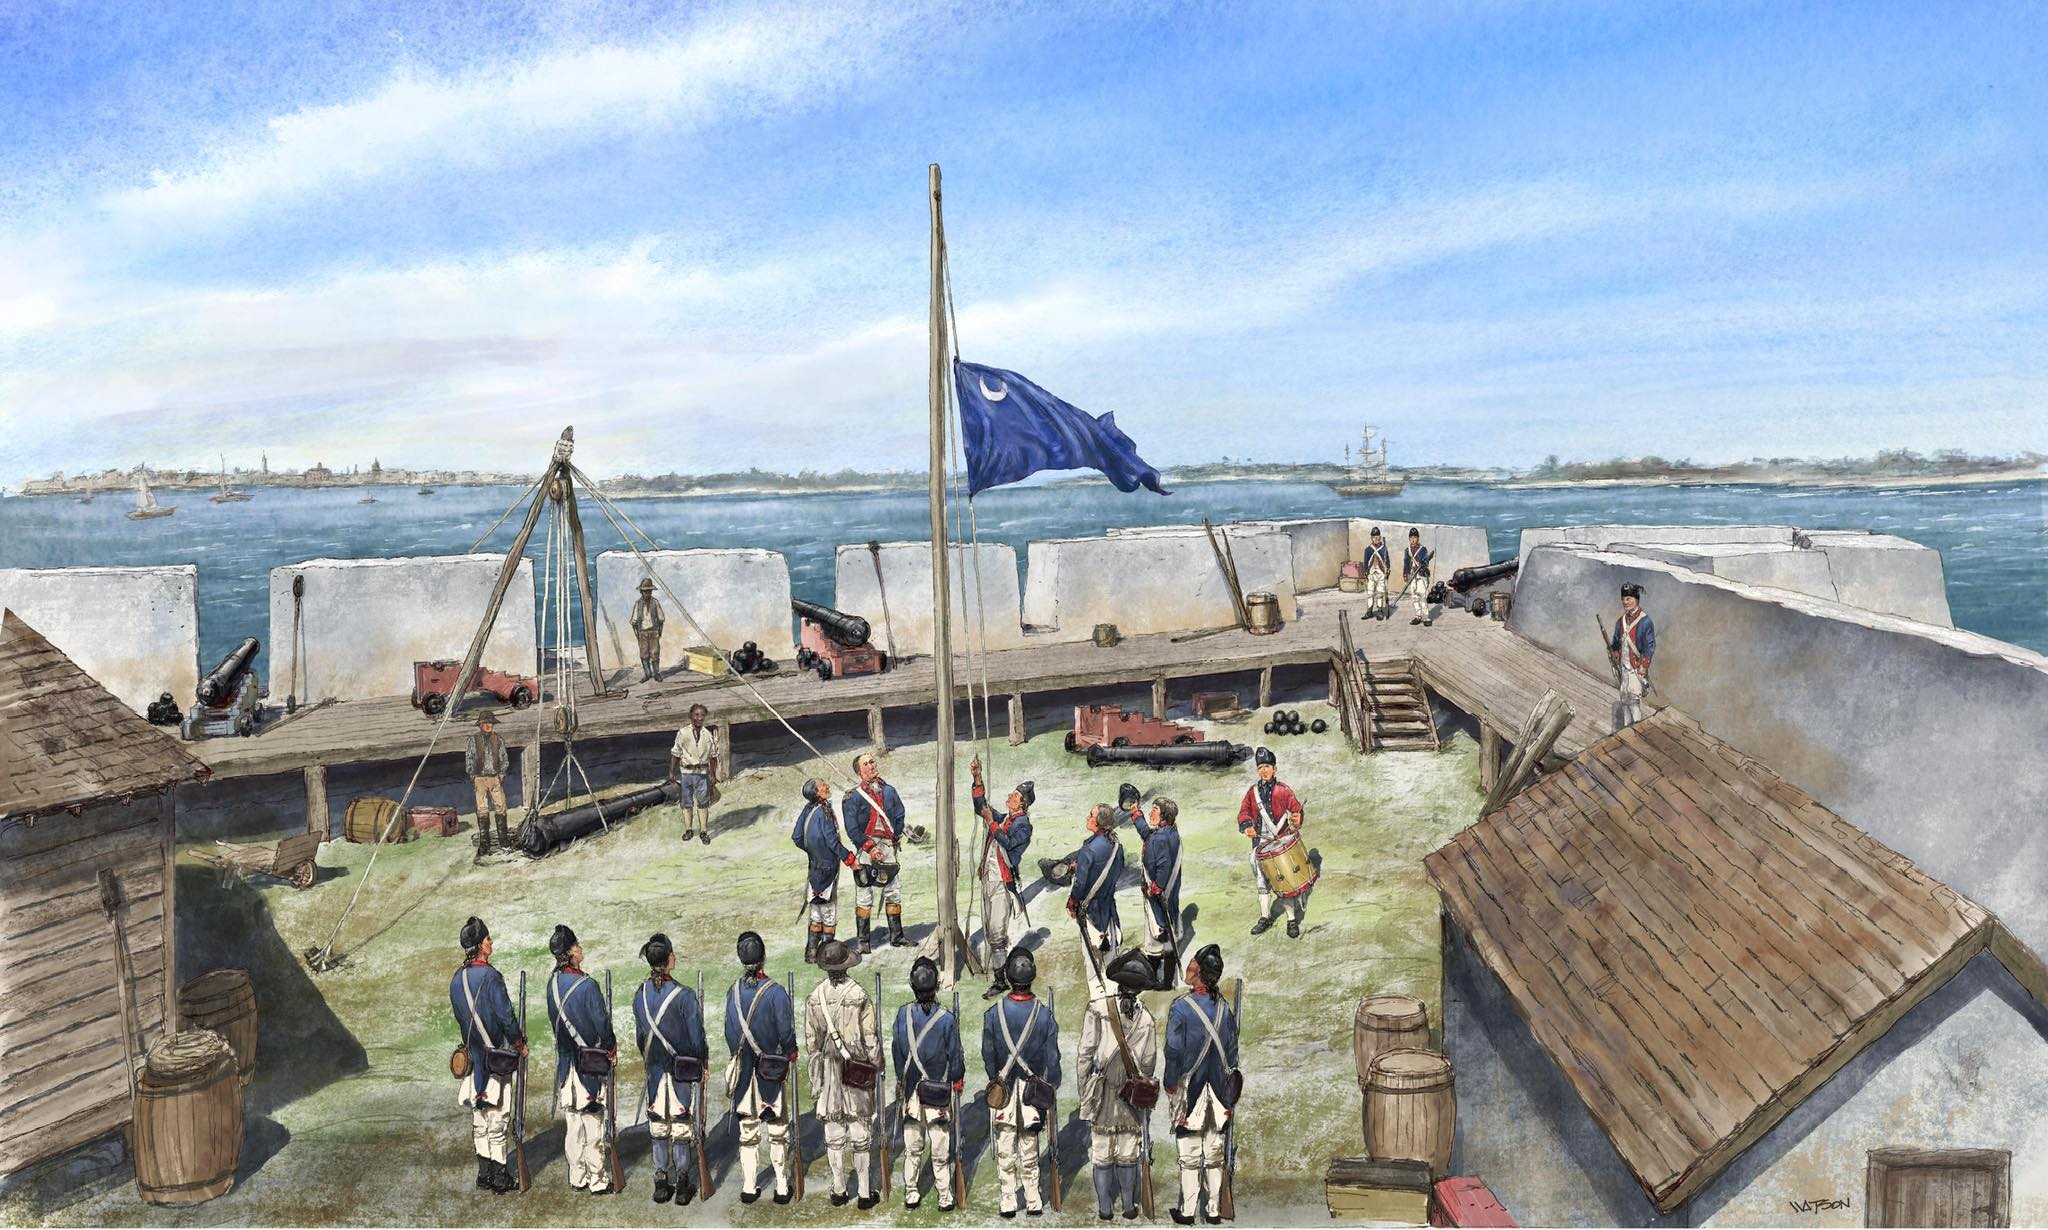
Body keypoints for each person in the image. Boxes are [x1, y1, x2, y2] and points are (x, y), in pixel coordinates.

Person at [981, 947, 1062, 1218]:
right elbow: (1053, 1058)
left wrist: (996, 1078)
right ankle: (1033, 1199)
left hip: (1003, 1089)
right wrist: (1051, 1085)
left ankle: (1007, 1201)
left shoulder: (993, 1014)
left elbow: (988, 1056)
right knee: (1030, 1147)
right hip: (1033, 1088)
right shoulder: (1044, 1014)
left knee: (1006, 1150)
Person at [1080, 950, 1160, 1221]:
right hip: (1130, 1093)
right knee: (1128, 1153)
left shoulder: (1097, 1007)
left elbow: (1085, 1054)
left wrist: (1085, 1091)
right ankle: (1127, 1207)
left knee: (1102, 1154)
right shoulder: (1147, 1019)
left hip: (1101, 1090)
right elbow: (1148, 1064)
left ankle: (1105, 1208)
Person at [449, 916, 525, 1195]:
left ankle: (484, 1173)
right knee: (498, 1118)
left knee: (479, 1119)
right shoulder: (491, 977)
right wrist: (518, 1042)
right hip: (496, 1057)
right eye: (488, 939)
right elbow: (505, 1017)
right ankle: (500, 1176)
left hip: (473, 1059)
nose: (491, 942)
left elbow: (461, 1019)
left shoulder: (457, 980)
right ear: (480, 946)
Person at [1164, 945, 1238, 1225]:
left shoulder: (1181, 1008)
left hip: (1191, 1090)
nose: (1188, 966)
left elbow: (1173, 1051)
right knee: (1215, 1155)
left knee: (1190, 1155)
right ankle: (1214, 1211)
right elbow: (1232, 1054)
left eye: (1192, 963)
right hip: (1219, 1093)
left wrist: (1171, 1084)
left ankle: (1187, 1212)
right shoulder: (1224, 1008)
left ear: (1198, 972)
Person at [806, 939, 883, 1209]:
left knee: (834, 1132)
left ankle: (838, 1189)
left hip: (829, 1068)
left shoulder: (816, 996)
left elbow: (811, 1041)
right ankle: (863, 1192)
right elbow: (871, 1038)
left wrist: (819, 1060)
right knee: (860, 1132)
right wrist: (876, 1064)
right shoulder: (860, 995)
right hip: (857, 1067)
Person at [632, 932, 707, 1206]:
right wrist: (702, 1063)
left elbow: (641, 1039)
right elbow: (696, 1039)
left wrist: (652, 1060)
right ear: (668, 960)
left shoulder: (639, 995)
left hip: (654, 1072)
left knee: (659, 1129)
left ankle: (661, 1182)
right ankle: (683, 1182)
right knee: (681, 1129)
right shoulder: (686, 997)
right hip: (681, 1073)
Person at [726, 930, 798, 1204]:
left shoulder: (732, 992)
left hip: (745, 1072)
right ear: (764, 956)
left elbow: (730, 1034)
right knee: (778, 1131)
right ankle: (781, 1187)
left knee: (749, 1133)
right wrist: (789, 1053)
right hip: (771, 1071)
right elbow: (786, 1034)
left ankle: (748, 1186)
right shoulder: (777, 992)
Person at [544, 924, 617, 1194]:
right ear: (571, 952)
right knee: (593, 1125)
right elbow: (603, 1027)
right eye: (577, 945)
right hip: (590, 1065)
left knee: (573, 1125)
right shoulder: (587, 986)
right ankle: (597, 1179)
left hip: (566, 1067)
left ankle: (577, 1176)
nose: (580, 948)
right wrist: (610, 1048)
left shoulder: (551, 985)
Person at [893, 956, 965, 1211]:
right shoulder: (947, 1019)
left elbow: (897, 1052)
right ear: (935, 988)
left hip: (912, 1092)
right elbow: (955, 1058)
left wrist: (902, 1080)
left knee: (912, 1148)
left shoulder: (903, 1014)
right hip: (938, 1093)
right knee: (940, 1149)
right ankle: (944, 1195)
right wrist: (956, 1080)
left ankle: (911, 1192)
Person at [969, 756, 1035, 1000]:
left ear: (1022, 804)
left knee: (997, 933)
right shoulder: (1006, 819)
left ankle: (1001, 980)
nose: (1009, 796)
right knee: (990, 930)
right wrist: (977, 778)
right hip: (989, 879)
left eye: (1015, 796)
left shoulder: (1023, 825)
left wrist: (991, 824)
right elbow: (981, 807)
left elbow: (1008, 843)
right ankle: (1001, 974)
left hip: (1002, 885)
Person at [843, 752, 913, 952]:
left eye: (873, 761)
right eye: (867, 763)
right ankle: (863, 942)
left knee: (893, 890)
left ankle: (897, 936)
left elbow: (899, 815)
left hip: (888, 845)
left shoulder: (890, 790)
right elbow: (852, 828)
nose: (872, 765)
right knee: (864, 892)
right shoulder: (852, 797)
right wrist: (869, 847)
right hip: (866, 847)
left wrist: (894, 837)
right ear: (860, 771)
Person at [1237, 747, 1308, 938]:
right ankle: (1265, 917)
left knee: (1284, 881)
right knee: (1261, 882)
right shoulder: (1252, 793)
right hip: (1260, 845)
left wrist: (1297, 818)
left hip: (1280, 844)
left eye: (1267, 766)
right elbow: (1244, 813)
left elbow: (1296, 810)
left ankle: (1291, 919)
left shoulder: (1283, 790)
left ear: (1274, 768)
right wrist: (1246, 826)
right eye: (1260, 767)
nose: (1264, 771)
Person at [792, 778, 859, 964]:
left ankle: (811, 953)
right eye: (823, 785)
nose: (827, 786)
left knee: (815, 912)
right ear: (816, 792)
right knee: (828, 912)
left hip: (814, 866)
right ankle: (828, 954)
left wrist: (814, 852)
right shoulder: (824, 811)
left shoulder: (807, 810)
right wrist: (850, 859)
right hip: (829, 867)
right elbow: (832, 841)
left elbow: (797, 837)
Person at [1068, 803, 1125, 996]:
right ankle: (1115, 995)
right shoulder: (1117, 847)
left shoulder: (1088, 850)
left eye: (1091, 815)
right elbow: (1116, 872)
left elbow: (1080, 885)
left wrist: (1072, 902)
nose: (1087, 817)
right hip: (1109, 908)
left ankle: (1099, 1000)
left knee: (1092, 961)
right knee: (1111, 960)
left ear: (1099, 822)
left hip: (1090, 911)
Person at [1131, 792, 1184, 990]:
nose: (1151, 812)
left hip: (1159, 895)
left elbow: (1163, 865)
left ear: (1164, 816)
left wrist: (1155, 888)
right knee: (1167, 933)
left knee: (1155, 936)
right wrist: (1137, 814)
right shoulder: (1169, 832)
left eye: (1154, 810)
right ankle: (1165, 979)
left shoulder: (1159, 838)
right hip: (1169, 894)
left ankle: (1158, 981)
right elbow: (1148, 834)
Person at [1608, 582, 1657, 729]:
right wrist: (1614, 654)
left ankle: (1637, 731)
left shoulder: (1645, 621)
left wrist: (1644, 665)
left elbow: (1650, 645)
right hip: (1623, 668)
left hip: (1636, 668)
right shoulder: (1620, 622)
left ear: (1636, 600)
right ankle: (1626, 729)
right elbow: (1616, 643)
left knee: (1634, 701)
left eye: (1628, 598)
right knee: (1624, 700)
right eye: (1624, 599)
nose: (1625, 602)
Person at [667, 704, 717, 845]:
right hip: (686, 773)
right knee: (686, 803)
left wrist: (713, 774)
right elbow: (675, 754)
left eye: (702, 715)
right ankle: (688, 829)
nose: (699, 718)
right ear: (690, 716)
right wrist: (671, 771)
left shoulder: (708, 735)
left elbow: (713, 757)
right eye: (696, 715)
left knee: (703, 803)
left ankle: (703, 831)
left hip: (702, 774)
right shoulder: (683, 733)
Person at [467, 710, 512, 857]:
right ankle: (485, 844)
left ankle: (503, 841)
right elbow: (470, 759)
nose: (488, 726)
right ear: (480, 725)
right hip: (480, 778)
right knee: (482, 810)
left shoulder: (498, 740)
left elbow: (504, 759)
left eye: (490, 724)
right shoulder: (473, 740)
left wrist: (502, 774)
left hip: (495, 777)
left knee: (501, 807)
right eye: (485, 724)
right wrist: (472, 776)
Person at [631, 576, 665, 681]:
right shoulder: (638, 604)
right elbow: (634, 621)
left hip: (654, 631)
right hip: (642, 633)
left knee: (655, 653)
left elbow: (661, 619)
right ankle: (647, 674)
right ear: (641, 592)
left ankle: (656, 674)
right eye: (645, 591)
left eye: (649, 591)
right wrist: (637, 634)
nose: (648, 593)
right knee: (644, 654)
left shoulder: (656, 602)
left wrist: (659, 632)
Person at [1401, 528, 1435, 626]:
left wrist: (1421, 564)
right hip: (1412, 576)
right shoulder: (1407, 550)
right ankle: (1418, 616)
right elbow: (1406, 563)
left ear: (1418, 538)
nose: (1413, 539)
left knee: (1422, 597)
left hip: (1421, 576)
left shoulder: (1423, 549)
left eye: (1415, 537)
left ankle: (1426, 617)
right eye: (1411, 538)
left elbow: (1426, 562)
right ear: (1409, 539)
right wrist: (1405, 574)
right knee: (1414, 597)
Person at [1361, 527, 1393, 621]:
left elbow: (1387, 561)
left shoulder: (1384, 548)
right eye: (1374, 537)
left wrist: (1387, 570)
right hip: (1371, 574)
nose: (1377, 539)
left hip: (1381, 574)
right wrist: (1366, 572)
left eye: (1378, 537)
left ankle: (1379, 611)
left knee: (1380, 593)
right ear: (1371, 538)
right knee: (1370, 593)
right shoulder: (1368, 549)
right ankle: (1369, 611)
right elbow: (1366, 562)